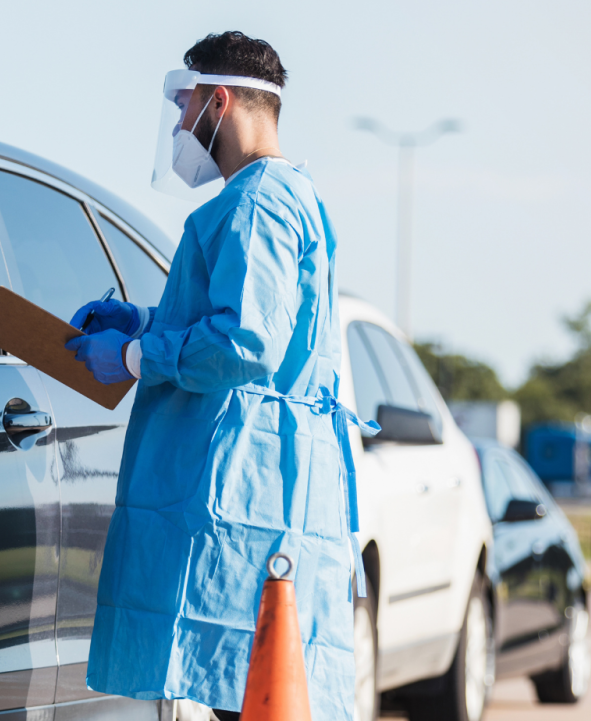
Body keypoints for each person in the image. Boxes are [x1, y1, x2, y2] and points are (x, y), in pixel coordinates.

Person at [66, 32, 376, 721]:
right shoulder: (287, 194)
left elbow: (246, 341)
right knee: (257, 688)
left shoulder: (255, 203)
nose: (180, 126)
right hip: (267, 476)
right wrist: (146, 321)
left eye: (185, 107)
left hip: (243, 482)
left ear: (219, 99)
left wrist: (132, 357)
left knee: (249, 689)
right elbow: (247, 319)